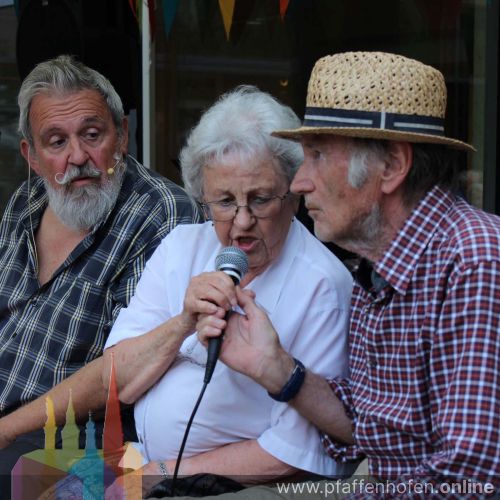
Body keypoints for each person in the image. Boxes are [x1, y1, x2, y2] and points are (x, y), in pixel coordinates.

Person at [196, 52, 500, 498]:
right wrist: (277, 370)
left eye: (317, 156)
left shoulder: (475, 261)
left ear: (392, 166)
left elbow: (467, 481)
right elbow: (368, 427)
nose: (299, 182)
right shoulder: (374, 267)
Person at [102, 85, 355, 496]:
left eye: (260, 199)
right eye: (223, 201)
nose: (241, 222)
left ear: (293, 195)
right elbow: (120, 384)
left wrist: (164, 473)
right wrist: (183, 324)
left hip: (231, 488)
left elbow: (296, 454)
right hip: (141, 462)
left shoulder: (323, 287)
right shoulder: (181, 246)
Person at [0, 55, 201, 492]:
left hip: (73, 434)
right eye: (56, 142)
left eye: (92, 135)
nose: (78, 157)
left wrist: (8, 429)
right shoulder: (27, 202)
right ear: (32, 157)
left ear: (122, 135)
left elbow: (131, 369)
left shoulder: (162, 213)